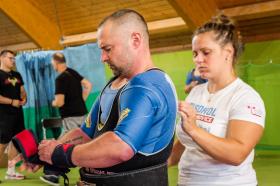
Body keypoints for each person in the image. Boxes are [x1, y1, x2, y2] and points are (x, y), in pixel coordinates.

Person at [12, 9, 177, 186]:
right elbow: (84, 134)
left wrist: (61, 154)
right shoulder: (113, 84)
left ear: (135, 40)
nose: (102, 58)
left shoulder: (148, 86)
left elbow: (120, 148)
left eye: (108, 49)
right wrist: (45, 153)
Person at [168, 14, 266, 186]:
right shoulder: (196, 92)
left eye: (206, 52)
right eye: (195, 53)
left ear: (228, 52)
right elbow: (185, 143)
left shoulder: (245, 97)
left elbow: (236, 154)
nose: (198, 59)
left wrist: (193, 129)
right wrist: (159, 164)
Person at [40, 52, 92, 185]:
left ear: (56, 62)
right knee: (85, 144)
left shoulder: (60, 79)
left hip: (70, 117)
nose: (52, 65)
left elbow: (60, 102)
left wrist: (53, 102)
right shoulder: (72, 72)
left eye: (52, 63)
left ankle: (53, 175)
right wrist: (81, 100)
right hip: (83, 115)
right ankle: (88, 176)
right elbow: (88, 85)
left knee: (61, 145)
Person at [0, 50, 27, 180]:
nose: (13, 61)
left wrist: (24, 97)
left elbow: (22, 91)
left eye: (14, 59)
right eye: (11, 58)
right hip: (4, 116)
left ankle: (11, 171)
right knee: (2, 143)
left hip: (18, 114)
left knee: (15, 142)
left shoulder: (17, 74)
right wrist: (12, 101)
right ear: (2, 58)